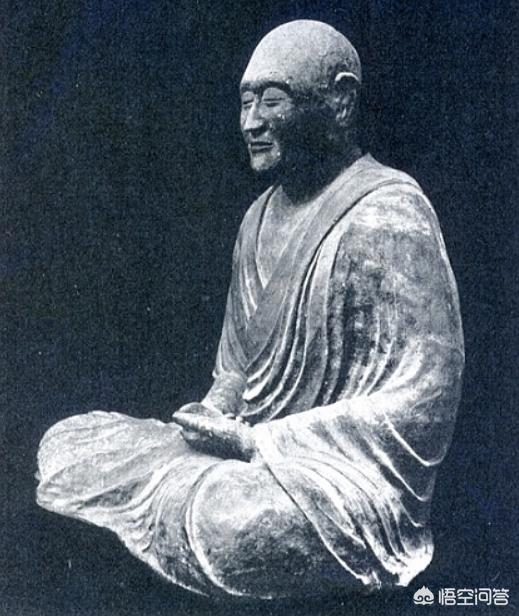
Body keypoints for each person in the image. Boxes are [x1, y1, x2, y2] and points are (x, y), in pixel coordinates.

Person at [36, 20, 464, 600]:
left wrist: (261, 444)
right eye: (245, 101)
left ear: (340, 102)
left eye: (272, 99)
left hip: (334, 474)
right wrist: (213, 414)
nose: (251, 122)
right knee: (73, 442)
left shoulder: (388, 214)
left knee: (236, 526)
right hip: (240, 452)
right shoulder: (257, 219)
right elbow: (237, 370)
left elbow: (425, 397)